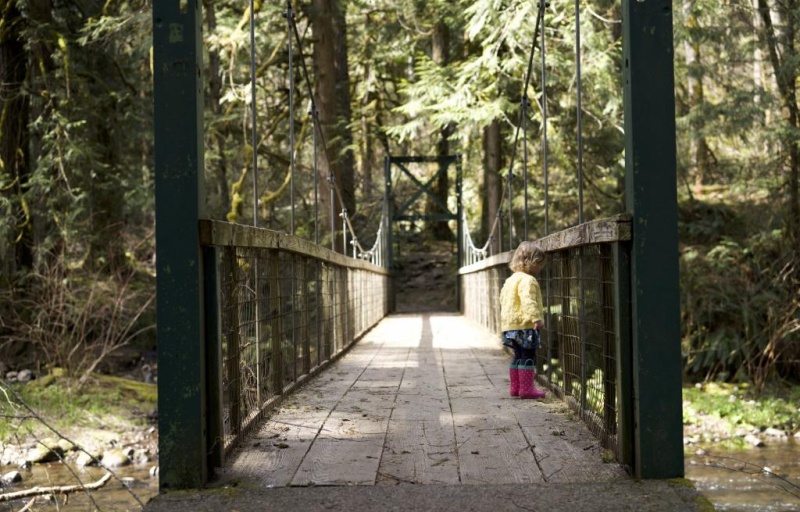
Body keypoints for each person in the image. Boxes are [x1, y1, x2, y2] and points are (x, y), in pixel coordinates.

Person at [500, 241, 547, 399]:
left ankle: (516, 388)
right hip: (525, 325)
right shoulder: (528, 280)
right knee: (528, 355)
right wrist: (536, 318)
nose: (540, 268)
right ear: (530, 262)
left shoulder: (510, 280)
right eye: (539, 264)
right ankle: (526, 389)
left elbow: (502, 300)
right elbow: (528, 300)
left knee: (517, 355)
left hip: (510, 326)